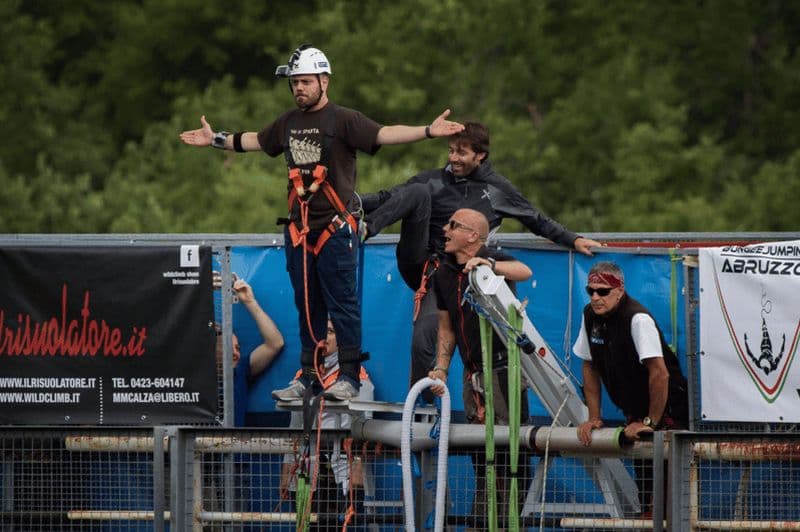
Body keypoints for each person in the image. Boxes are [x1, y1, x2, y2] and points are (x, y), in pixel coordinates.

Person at [180, 43, 463, 402]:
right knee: (307, 306)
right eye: (295, 82)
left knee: (342, 305)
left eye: (306, 82)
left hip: (334, 230)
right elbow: (254, 140)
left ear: (324, 82)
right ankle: (309, 377)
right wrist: (216, 139)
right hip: (299, 230)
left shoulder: (343, 120)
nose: (299, 88)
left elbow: (383, 133)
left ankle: (348, 376)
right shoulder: (287, 123)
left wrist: (427, 130)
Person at [360, 122, 602, 397]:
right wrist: (351, 202)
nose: (452, 158)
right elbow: (387, 198)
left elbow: (534, 218)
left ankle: (422, 404)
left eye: (461, 153)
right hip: (422, 264)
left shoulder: (496, 188)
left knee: (423, 340)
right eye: (450, 151)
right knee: (414, 192)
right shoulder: (432, 179)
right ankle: (363, 230)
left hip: (457, 275)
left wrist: (573, 239)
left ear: (480, 155)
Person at [426, 208, 531, 527]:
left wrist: (490, 265)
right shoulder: (443, 273)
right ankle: (485, 513)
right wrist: (441, 369)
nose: (445, 230)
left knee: (506, 447)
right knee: (479, 445)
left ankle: (505, 514)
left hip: (503, 368)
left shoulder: (492, 258)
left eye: (453, 225)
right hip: (471, 372)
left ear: (473, 235)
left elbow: (524, 271)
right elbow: (446, 328)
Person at [573, 261, 689, 515]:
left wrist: (650, 421)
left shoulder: (637, 319)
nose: (595, 297)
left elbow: (660, 374)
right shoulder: (589, 315)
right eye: (590, 290)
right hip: (635, 412)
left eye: (602, 291)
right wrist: (594, 417)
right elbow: (589, 365)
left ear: (619, 291)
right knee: (647, 495)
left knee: (667, 503)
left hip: (668, 412)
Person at [279, 320, 374, 531]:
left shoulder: (357, 377)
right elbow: (294, 430)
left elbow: (364, 430)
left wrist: (357, 472)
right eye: (321, 332)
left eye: (330, 331)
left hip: (342, 478)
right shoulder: (302, 378)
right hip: (306, 476)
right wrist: (287, 473)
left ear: (342, 341)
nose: (324, 337)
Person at [214, 275, 285, 425]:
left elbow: (275, 343)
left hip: (232, 447)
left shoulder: (238, 371)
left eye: (238, 348)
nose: (236, 354)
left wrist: (249, 301)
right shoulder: (190, 379)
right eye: (227, 348)